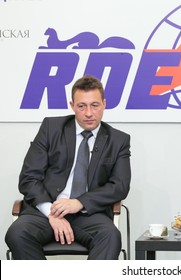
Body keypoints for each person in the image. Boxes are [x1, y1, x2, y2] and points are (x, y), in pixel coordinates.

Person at [5, 75, 131, 260]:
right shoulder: (51, 128)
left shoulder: (118, 140)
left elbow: (119, 186)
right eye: (82, 106)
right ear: (72, 105)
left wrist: (79, 202)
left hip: (89, 214)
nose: (89, 113)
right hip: (46, 211)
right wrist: (51, 213)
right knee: (18, 233)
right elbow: (29, 178)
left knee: (110, 236)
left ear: (104, 104)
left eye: (94, 105)